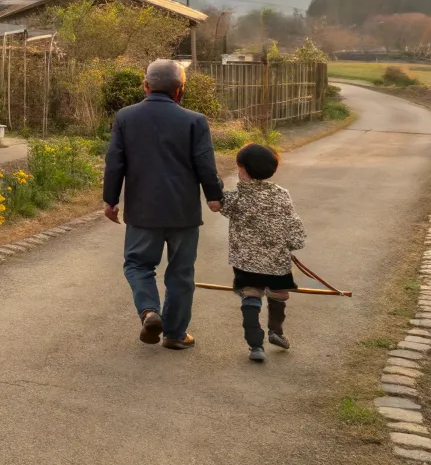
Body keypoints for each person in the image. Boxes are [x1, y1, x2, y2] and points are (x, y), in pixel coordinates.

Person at [102, 58, 223, 350]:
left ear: (145, 87)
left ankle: (149, 311)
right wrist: (214, 196)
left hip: (143, 210)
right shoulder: (195, 120)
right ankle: (175, 334)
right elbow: (205, 164)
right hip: (183, 212)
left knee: (138, 265)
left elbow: (114, 162)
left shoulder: (126, 117)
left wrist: (110, 200)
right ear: (179, 90)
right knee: (181, 273)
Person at [218, 143, 307, 362]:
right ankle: (276, 331)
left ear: (243, 169)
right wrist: (292, 243)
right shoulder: (281, 195)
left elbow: (220, 203)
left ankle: (255, 345)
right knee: (277, 295)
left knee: (251, 295)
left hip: (246, 263)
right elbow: (294, 225)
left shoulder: (238, 199)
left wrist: (215, 184)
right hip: (278, 261)